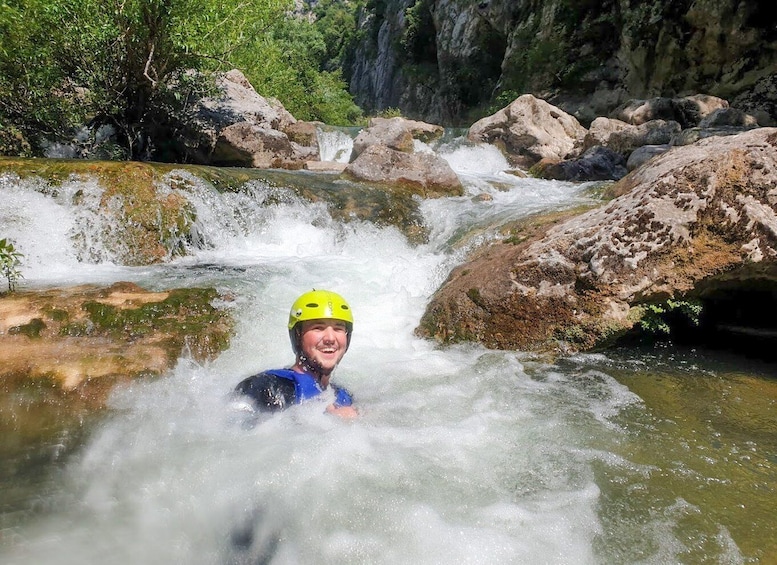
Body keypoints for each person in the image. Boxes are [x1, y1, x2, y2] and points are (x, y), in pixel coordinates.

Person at [233, 289, 358, 418]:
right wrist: (330, 419)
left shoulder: (344, 396)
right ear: (298, 335)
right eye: (318, 328)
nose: (330, 338)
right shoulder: (264, 387)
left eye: (338, 329)